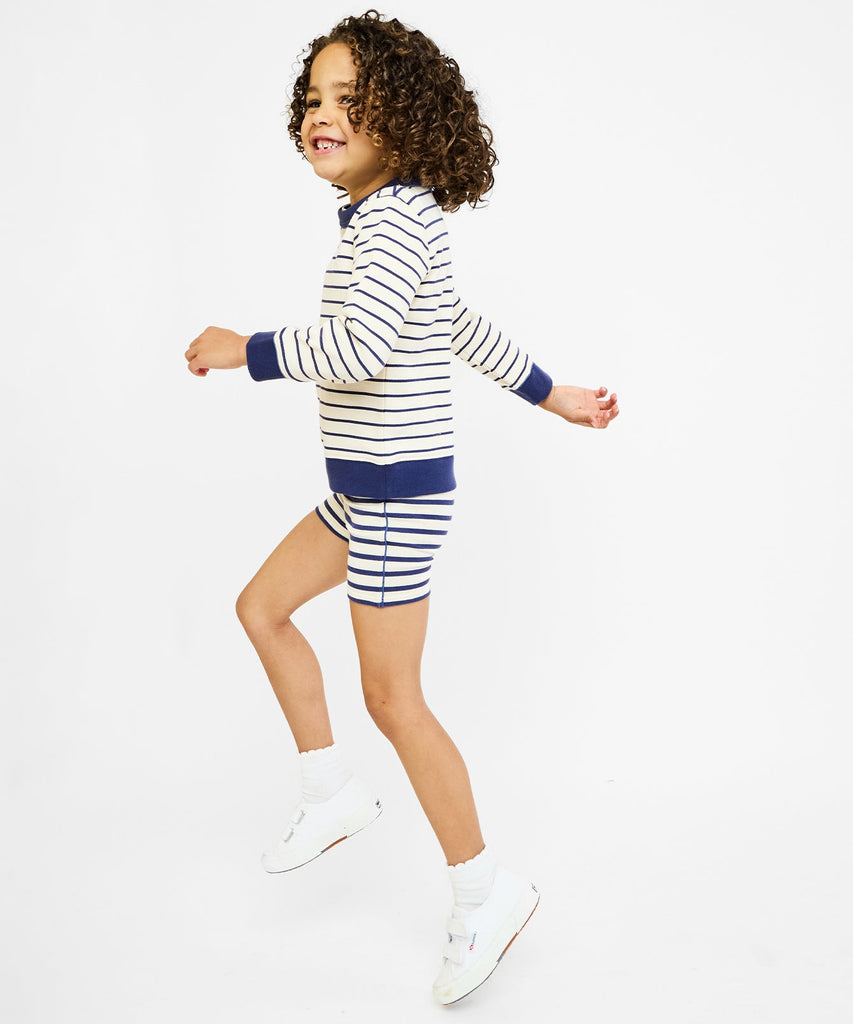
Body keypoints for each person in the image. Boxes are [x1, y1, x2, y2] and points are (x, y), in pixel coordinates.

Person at [184, 9, 618, 1005]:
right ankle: (329, 789)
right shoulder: (388, 218)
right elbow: (453, 322)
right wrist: (551, 394)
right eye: (313, 99)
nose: (321, 115)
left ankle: (483, 891)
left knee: (392, 698)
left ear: (407, 118)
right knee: (261, 606)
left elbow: (359, 348)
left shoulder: (394, 219)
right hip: (365, 489)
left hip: (393, 497)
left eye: (350, 99)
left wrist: (243, 349)